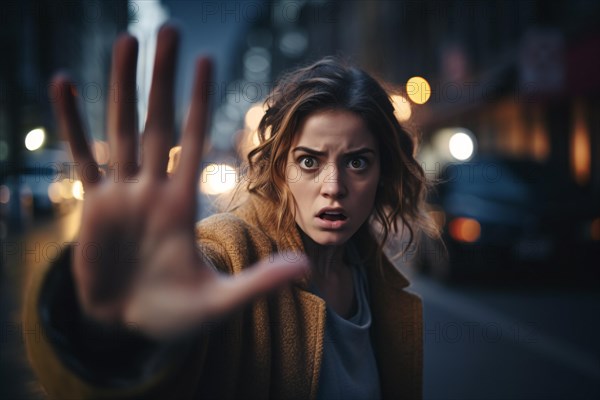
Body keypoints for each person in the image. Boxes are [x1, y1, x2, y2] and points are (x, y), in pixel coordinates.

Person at [23, 25, 438, 399]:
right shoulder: (231, 251)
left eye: (358, 162)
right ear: (279, 170)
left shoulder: (377, 283)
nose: (334, 187)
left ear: (383, 172)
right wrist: (111, 333)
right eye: (309, 162)